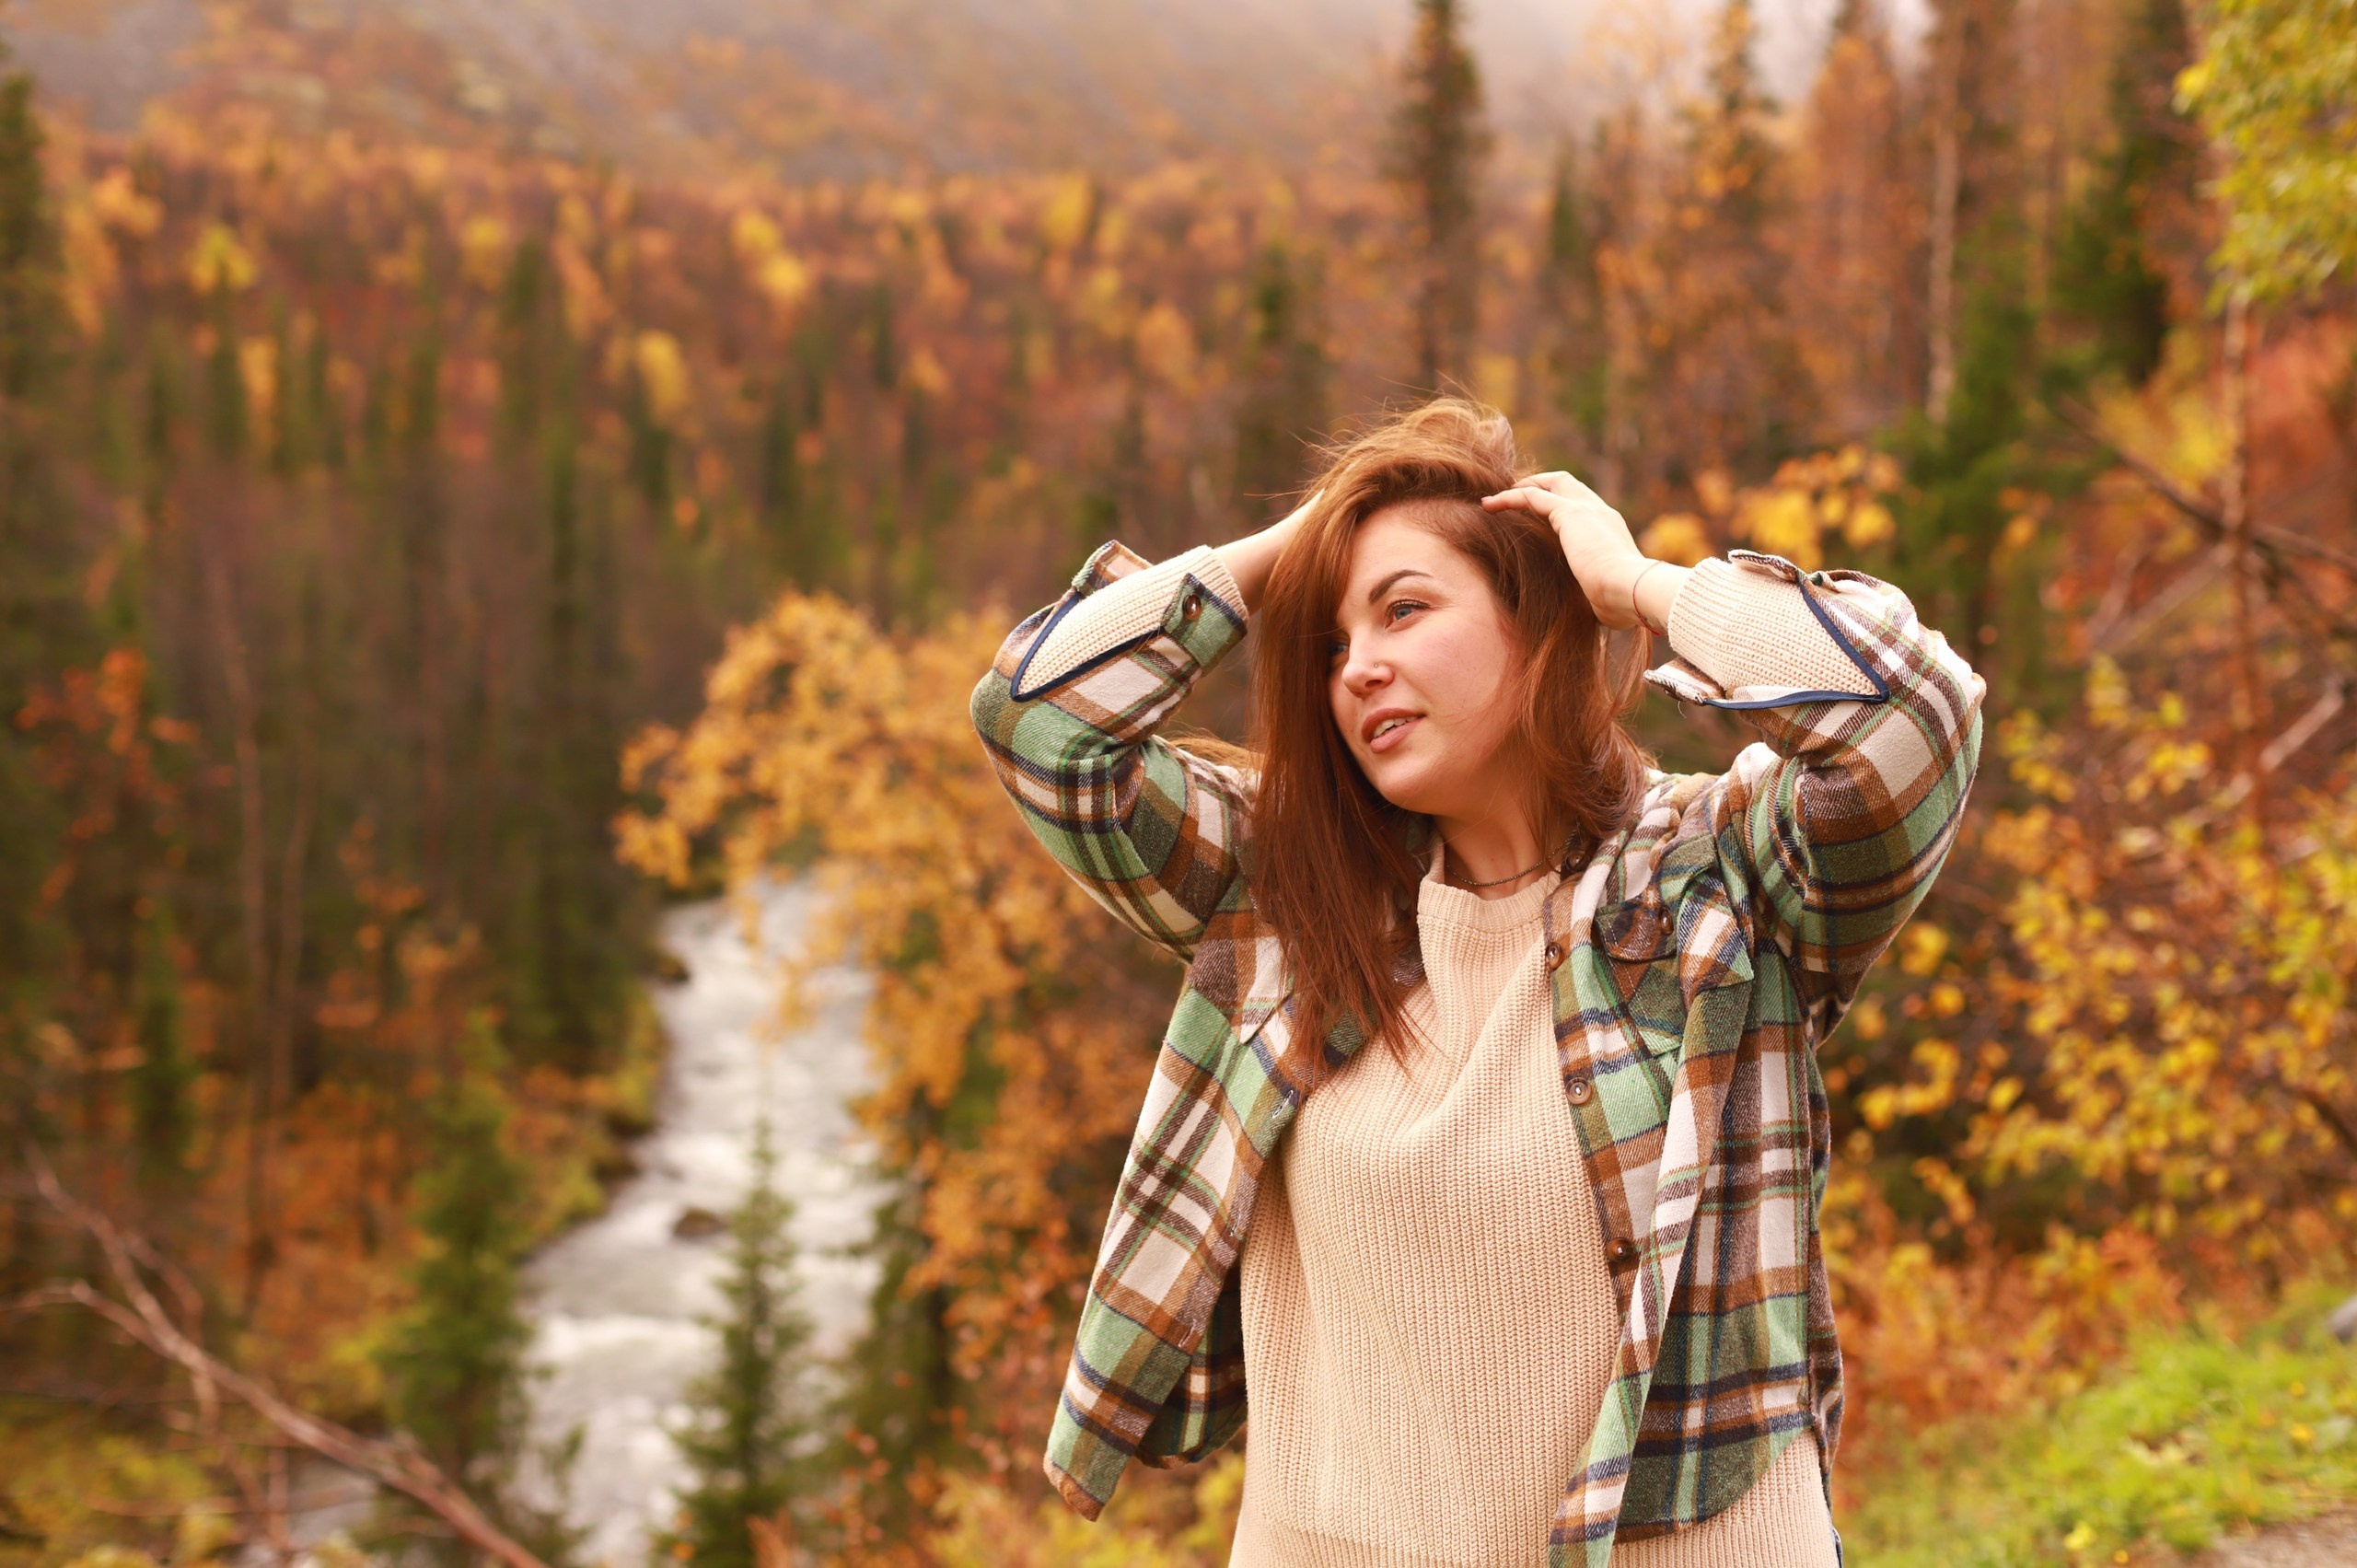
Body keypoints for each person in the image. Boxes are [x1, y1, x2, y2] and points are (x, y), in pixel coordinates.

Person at [969, 399, 1985, 1566]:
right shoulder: (1288, 894)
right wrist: (1287, 552)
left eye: (1404, 607)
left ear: (1539, 623)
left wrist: (1637, 585)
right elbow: (1037, 722)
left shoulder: (1721, 874)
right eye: (1333, 642)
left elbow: (1915, 712)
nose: (1358, 668)